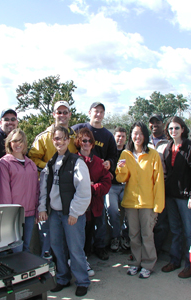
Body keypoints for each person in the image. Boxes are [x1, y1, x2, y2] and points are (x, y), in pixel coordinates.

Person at [38, 126, 91, 297]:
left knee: (75, 249)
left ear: (68, 141)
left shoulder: (77, 162)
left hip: (71, 214)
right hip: (54, 213)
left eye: (62, 138)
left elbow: (83, 191)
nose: (59, 141)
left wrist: (74, 212)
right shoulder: (51, 163)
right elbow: (44, 189)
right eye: (56, 139)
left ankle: (82, 281)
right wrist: (42, 208)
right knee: (57, 247)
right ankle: (62, 278)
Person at [28, 100, 77, 258]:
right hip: (48, 189)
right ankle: (48, 260)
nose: (62, 115)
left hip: (70, 189)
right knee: (48, 229)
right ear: (53, 114)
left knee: (68, 227)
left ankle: (68, 260)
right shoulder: (43, 138)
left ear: (69, 114)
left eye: (65, 112)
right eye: (59, 112)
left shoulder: (74, 137)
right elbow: (32, 159)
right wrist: (51, 167)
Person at [115, 122, 165, 279]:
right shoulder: (125, 154)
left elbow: (158, 181)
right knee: (133, 235)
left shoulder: (153, 154)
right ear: (131, 135)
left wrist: (158, 204)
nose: (137, 137)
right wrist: (121, 168)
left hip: (147, 203)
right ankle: (136, 262)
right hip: (130, 202)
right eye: (135, 133)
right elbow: (120, 178)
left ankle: (148, 264)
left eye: (140, 133)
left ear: (145, 135)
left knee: (147, 234)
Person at [72, 102, 117, 260]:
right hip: (79, 192)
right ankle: (83, 251)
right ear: (89, 112)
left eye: (101, 112)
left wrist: (109, 163)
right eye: (95, 111)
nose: (98, 114)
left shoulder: (107, 135)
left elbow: (113, 155)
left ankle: (99, 247)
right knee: (82, 223)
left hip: (97, 183)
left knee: (100, 219)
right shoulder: (78, 129)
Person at [161, 116, 191, 279]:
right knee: (175, 230)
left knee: (189, 232)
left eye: (176, 128)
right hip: (170, 196)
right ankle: (175, 260)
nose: (173, 131)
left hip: (185, 197)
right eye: (171, 128)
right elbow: (166, 173)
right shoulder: (168, 147)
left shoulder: (190, 147)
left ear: (183, 129)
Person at [75, 127, 111, 276]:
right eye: (84, 140)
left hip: (94, 205)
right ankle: (80, 260)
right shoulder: (73, 160)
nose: (87, 143)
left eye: (89, 141)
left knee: (91, 232)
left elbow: (107, 182)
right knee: (78, 235)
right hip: (78, 207)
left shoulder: (98, 162)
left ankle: (87, 258)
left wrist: (92, 188)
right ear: (79, 142)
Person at [0, 128, 39, 253]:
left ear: (25, 143)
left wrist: (36, 210)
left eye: (20, 140)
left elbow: (36, 189)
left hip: (30, 214)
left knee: (27, 248)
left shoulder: (31, 164)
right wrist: (9, 215)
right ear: (9, 143)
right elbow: (4, 193)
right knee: (16, 249)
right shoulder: (4, 164)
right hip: (14, 215)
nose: (17, 144)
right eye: (14, 141)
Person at [148, 114, 170, 253]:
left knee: (161, 222)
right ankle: (146, 251)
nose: (155, 124)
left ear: (163, 124)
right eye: (152, 122)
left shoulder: (169, 142)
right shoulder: (145, 142)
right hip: (146, 189)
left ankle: (156, 251)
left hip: (163, 188)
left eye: (158, 122)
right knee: (146, 223)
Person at [105, 127, 130, 251]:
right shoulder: (110, 151)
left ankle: (125, 236)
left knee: (129, 210)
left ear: (126, 139)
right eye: (118, 136)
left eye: (123, 136)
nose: (120, 139)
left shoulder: (129, 152)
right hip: (111, 187)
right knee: (113, 210)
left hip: (125, 186)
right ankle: (115, 237)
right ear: (114, 137)